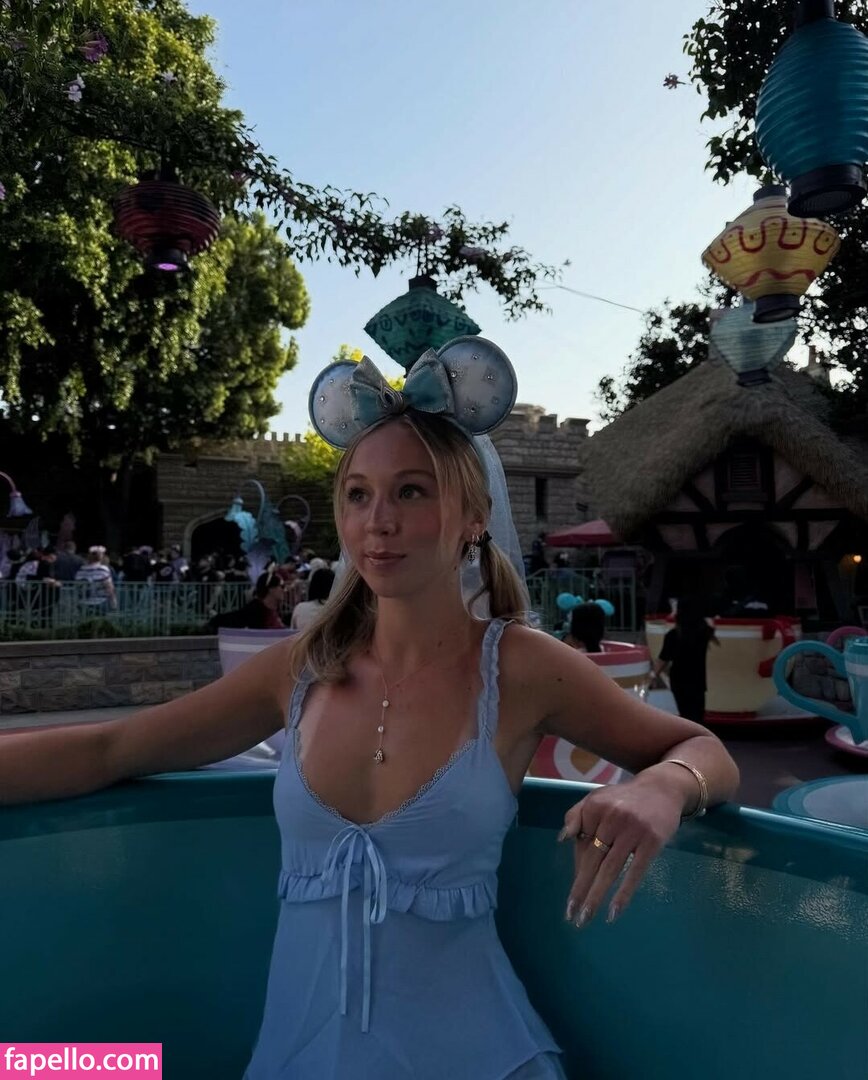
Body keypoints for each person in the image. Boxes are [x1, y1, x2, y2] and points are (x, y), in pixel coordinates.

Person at [0, 339, 739, 1080]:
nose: (377, 521)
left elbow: (702, 750)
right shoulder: (300, 671)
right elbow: (113, 749)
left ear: (474, 516)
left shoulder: (519, 668)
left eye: (411, 492)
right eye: (359, 494)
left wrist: (662, 788)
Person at [650, 595, 720, 724]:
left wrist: (653, 676)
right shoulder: (704, 633)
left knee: (685, 714)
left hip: (679, 680)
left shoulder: (673, 635)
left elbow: (663, 659)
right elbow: (711, 622)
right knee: (698, 716)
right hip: (698, 681)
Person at [210, 572, 286, 630]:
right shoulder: (254, 610)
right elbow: (235, 618)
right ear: (271, 589)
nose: (285, 590)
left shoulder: (279, 610)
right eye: (282, 586)